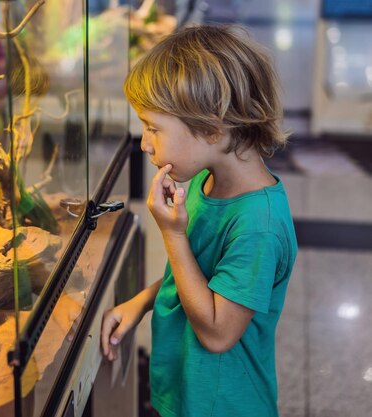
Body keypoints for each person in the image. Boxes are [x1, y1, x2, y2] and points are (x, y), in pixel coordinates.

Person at [100, 24, 298, 417]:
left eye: (153, 128)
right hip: (186, 393)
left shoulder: (258, 224)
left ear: (210, 127)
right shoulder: (208, 182)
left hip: (225, 405)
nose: (144, 143)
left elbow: (218, 332)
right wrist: (140, 303)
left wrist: (172, 233)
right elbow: (198, 274)